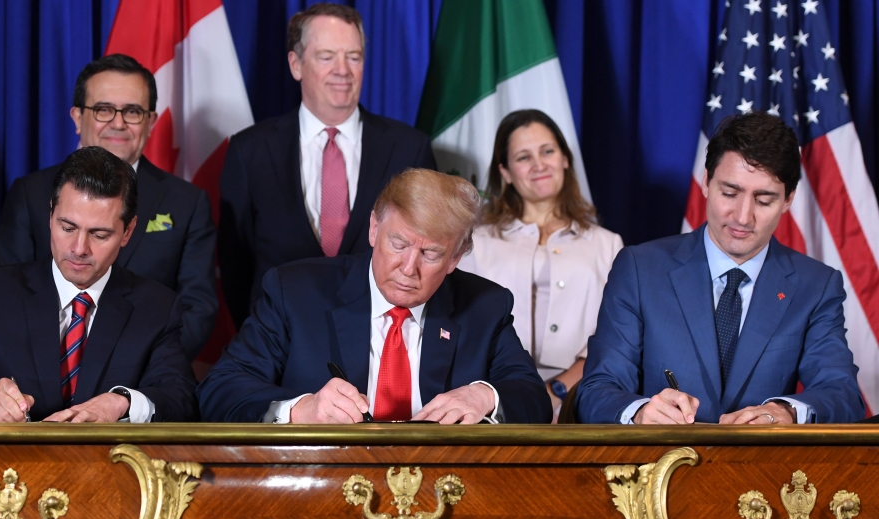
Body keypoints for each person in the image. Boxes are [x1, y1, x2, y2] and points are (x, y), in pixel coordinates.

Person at [576, 112, 863, 425]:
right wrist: (641, 412)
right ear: (706, 183)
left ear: (788, 199)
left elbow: (842, 394)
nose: (742, 216)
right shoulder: (639, 269)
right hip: (660, 466)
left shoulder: (816, 286)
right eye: (730, 193)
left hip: (761, 471)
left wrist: (787, 411)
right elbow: (596, 390)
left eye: (764, 200)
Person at [199, 168, 551, 424]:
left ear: (455, 258)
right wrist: (300, 409)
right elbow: (219, 390)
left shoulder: (485, 306)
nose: (408, 267)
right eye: (398, 244)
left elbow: (533, 398)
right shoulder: (295, 292)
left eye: (431, 254)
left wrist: (483, 395)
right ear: (373, 229)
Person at [0, 146, 198, 423]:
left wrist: (123, 403)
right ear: (50, 216)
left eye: (99, 234)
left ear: (128, 232)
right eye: (67, 227)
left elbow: (182, 401)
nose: (79, 248)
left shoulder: (155, 307)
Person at [218, 3, 437, 329]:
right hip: (278, 347)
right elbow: (236, 268)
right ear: (296, 64)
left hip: (379, 345)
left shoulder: (409, 148)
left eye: (354, 57)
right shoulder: (250, 150)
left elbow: (428, 251)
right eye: (326, 56)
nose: (343, 70)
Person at [0, 54, 216, 361]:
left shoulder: (187, 203)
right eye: (103, 110)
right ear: (77, 117)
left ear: (151, 122)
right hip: (43, 375)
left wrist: (137, 369)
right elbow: (8, 296)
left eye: (133, 112)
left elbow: (197, 309)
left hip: (145, 381)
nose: (118, 123)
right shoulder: (30, 193)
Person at [457, 110, 622, 422]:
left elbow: (616, 339)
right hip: (492, 405)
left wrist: (558, 389)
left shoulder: (608, 245)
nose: (539, 165)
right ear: (505, 171)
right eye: (523, 157)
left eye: (547, 151)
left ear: (565, 159)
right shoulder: (476, 243)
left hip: (582, 400)